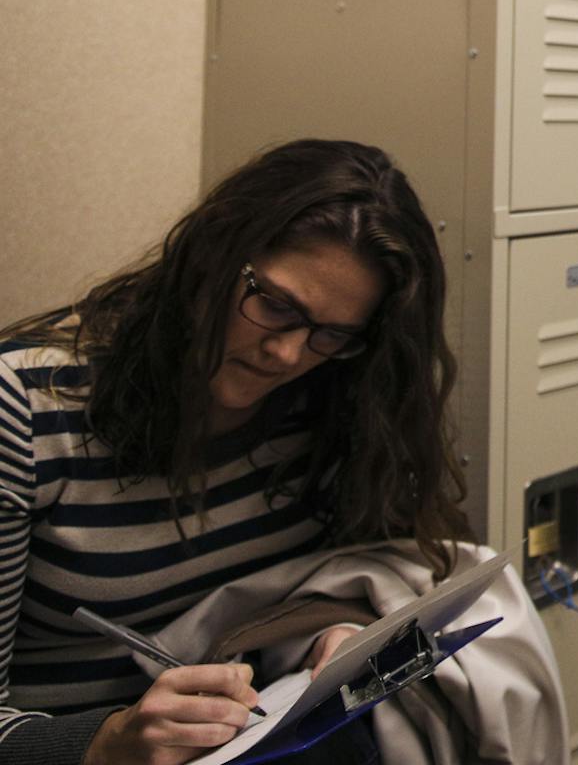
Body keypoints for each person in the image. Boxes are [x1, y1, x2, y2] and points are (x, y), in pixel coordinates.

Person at [0, 139, 469, 764]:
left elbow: (345, 573)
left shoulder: (332, 400)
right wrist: (106, 742)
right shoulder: (28, 409)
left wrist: (336, 635)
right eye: (275, 305)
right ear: (212, 255)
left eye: (330, 333)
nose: (288, 355)